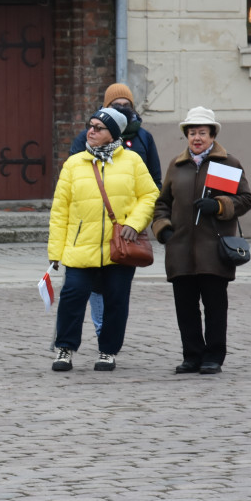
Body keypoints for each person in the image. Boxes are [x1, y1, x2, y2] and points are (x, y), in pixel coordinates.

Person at [48, 107, 159, 372]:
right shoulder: (74, 163)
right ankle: (65, 348)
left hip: (119, 248)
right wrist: (55, 250)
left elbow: (150, 195)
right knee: (72, 296)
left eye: (99, 128)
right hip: (80, 247)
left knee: (117, 300)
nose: (91, 131)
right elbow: (60, 209)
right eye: (90, 125)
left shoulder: (132, 161)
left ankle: (108, 351)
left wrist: (135, 222)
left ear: (113, 134)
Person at [151, 107, 251, 375]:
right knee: (185, 308)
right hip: (180, 249)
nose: (197, 138)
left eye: (202, 133)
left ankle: (213, 357)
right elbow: (162, 203)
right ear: (186, 135)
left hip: (214, 249)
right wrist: (164, 230)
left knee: (215, 307)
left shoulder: (226, 163)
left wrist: (218, 206)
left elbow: (245, 199)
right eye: (193, 132)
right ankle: (192, 355)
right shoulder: (177, 165)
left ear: (212, 135)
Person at [69, 83, 162, 339]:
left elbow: (154, 182)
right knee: (94, 284)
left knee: (118, 284)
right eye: (115, 105)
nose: (122, 109)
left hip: (128, 226)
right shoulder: (87, 137)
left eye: (127, 105)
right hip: (92, 225)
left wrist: (139, 218)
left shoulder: (143, 138)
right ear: (105, 108)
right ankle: (101, 331)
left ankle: (110, 336)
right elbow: (73, 178)